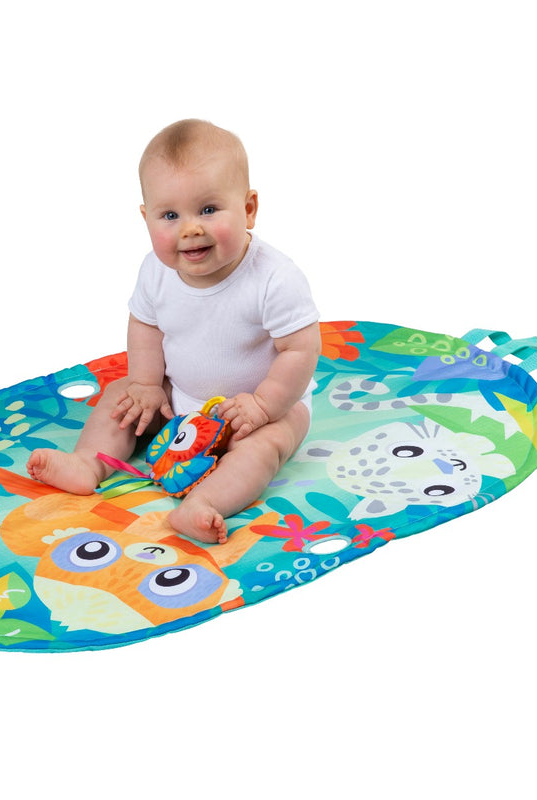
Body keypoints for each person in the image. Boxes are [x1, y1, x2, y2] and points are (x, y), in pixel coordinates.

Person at [27, 119, 321, 544]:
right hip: (180, 399)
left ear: (249, 208)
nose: (190, 228)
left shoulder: (274, 278)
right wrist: (147, 385)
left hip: (256, 410)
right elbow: (146, 324)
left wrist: (263, 405)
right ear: (146, 218)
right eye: (169, 215)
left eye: (208, 209)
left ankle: (205, 503)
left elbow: (301, 348)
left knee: (265, 446)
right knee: (122, 397)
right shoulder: (156, 271)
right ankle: (88, 463)